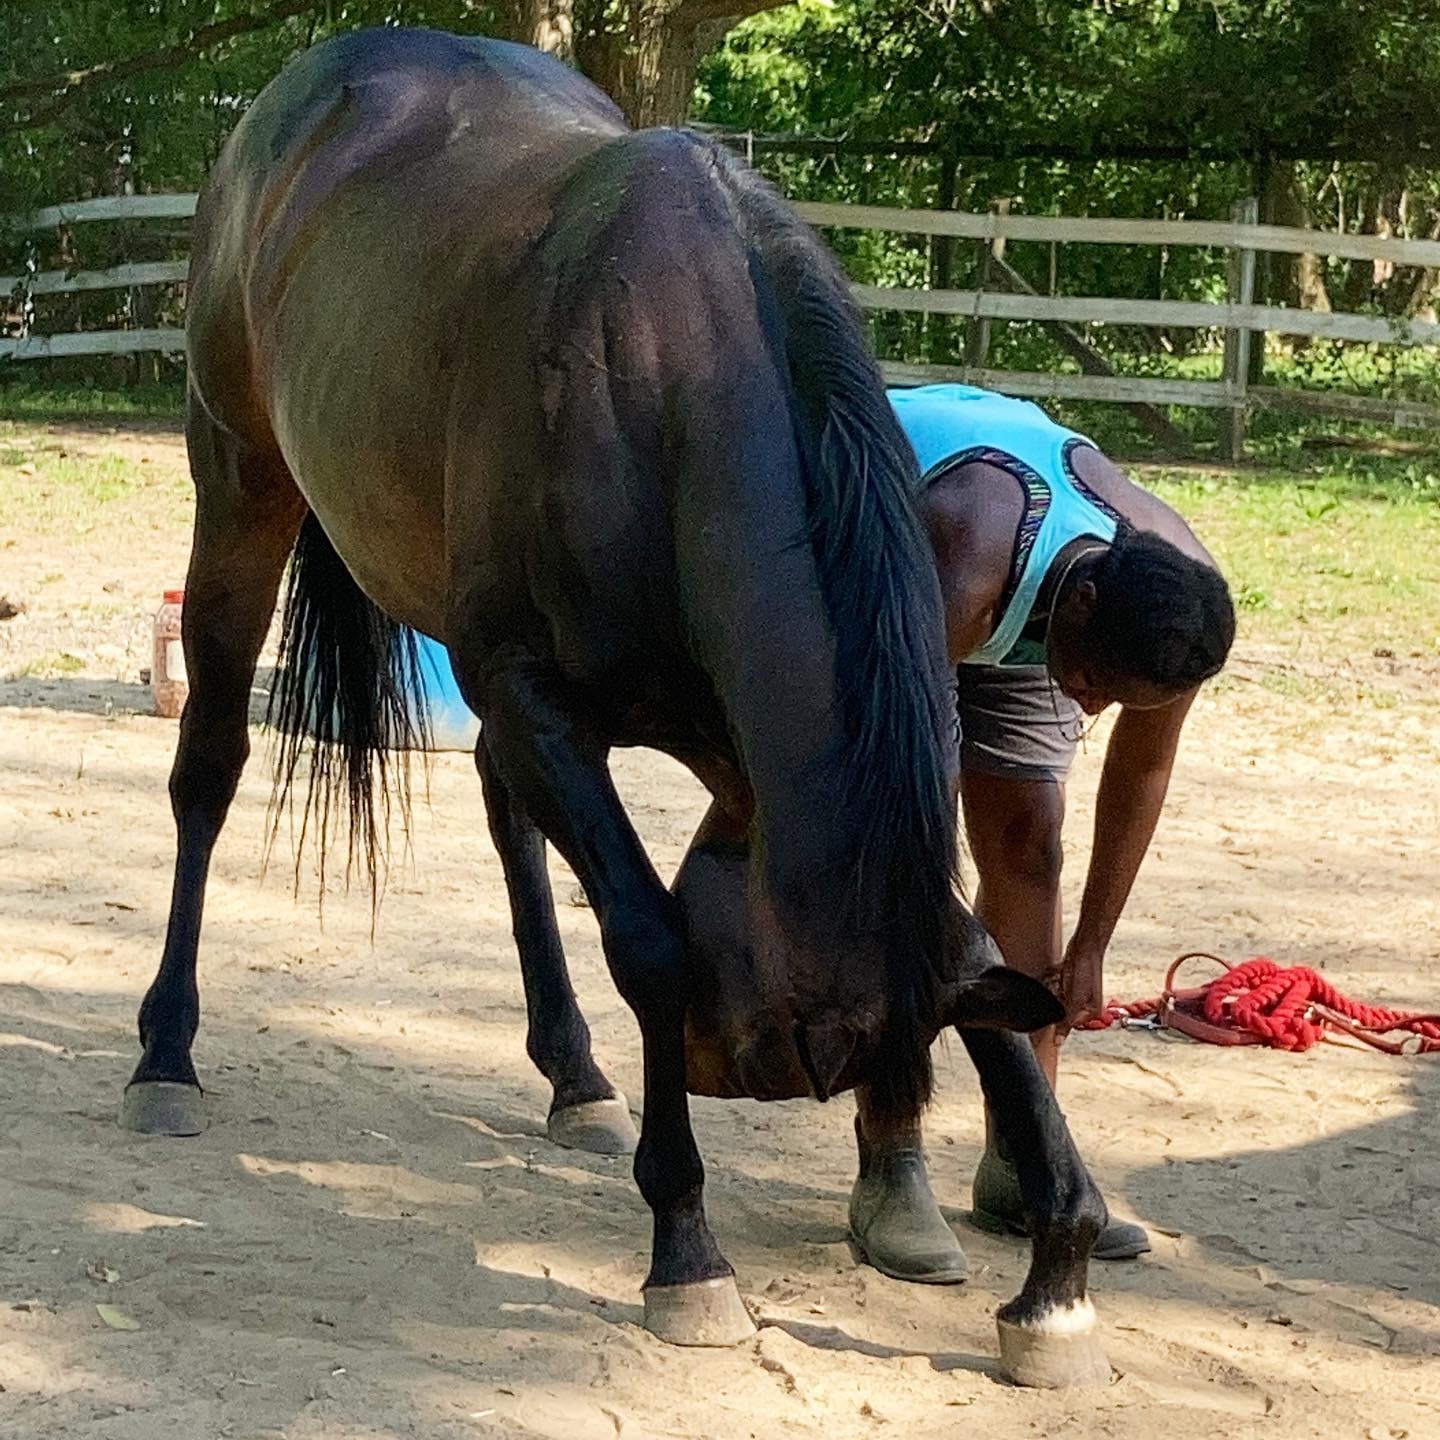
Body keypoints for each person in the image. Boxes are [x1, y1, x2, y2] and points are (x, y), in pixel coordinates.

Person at [847, 383, 1237, 1282]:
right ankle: (888, 1159)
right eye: (1095, 683)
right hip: (903, 561)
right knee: (911, 865)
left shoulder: (1176, 598)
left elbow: (1140, 769)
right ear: (1086, 603)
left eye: (1112, 698)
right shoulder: (967, 547)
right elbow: (895, 805)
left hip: (1033, 606)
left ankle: (1026, 1159)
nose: (1091, 707)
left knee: (1031, 836)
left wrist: (1092, 944)